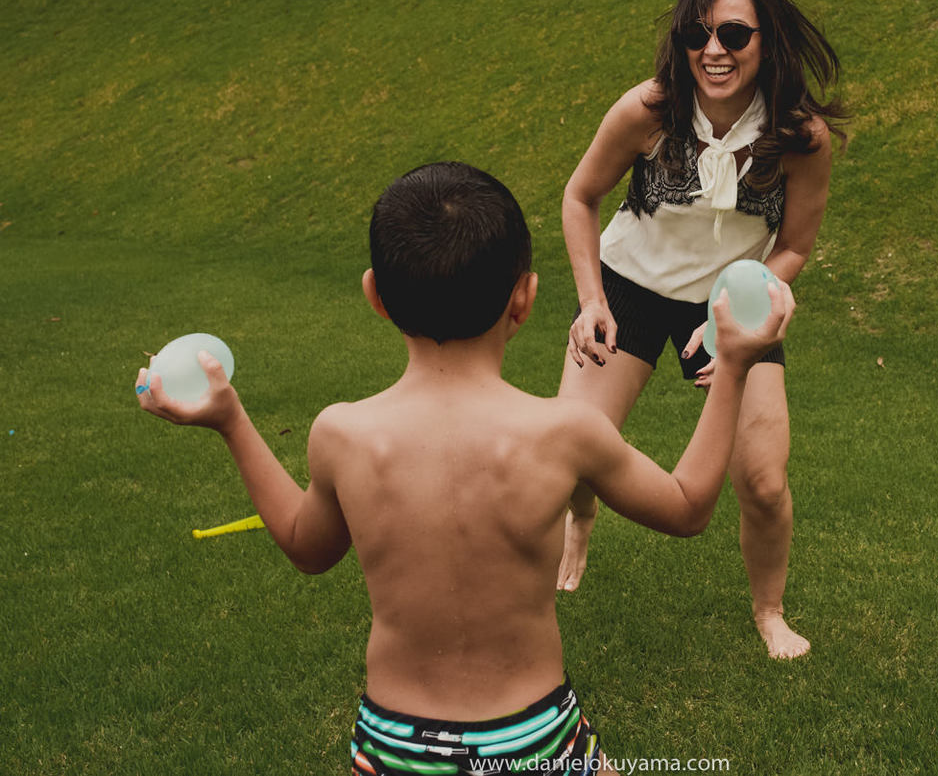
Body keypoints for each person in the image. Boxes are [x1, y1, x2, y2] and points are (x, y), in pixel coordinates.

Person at [135, 161, 793, 775]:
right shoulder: (565, 432)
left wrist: (231, 420)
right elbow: (687, 506)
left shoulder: (343, 433)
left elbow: (309, 549)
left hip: (395, 740)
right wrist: (733, 364)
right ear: (525, 300)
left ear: (376, 297)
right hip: (534, 734)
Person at [555, 0, 847, 660]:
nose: (714, 50)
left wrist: (728, 325)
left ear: (765, 42)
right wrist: (591, 300)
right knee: (569, 456)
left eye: (734, 34)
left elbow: (796, 245)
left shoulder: (800, 136)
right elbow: (578, 197)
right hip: (628, 284)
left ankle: (770, 611)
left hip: (732, 297)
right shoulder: (648, 110)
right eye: (697, 34)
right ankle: (581, 508)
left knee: (765, 481)